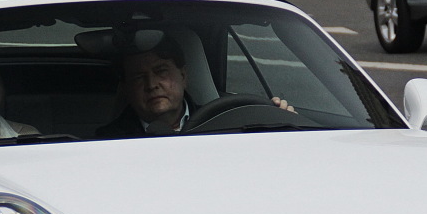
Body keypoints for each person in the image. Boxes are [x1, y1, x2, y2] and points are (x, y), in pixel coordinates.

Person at [95, 35, 292, 138]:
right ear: (127, 89)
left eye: (161, 71)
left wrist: (282, 121)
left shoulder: (226, 124)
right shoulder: (106, 141)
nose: (152, 85)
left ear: (183, 76)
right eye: (139, 77)